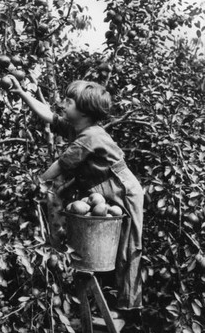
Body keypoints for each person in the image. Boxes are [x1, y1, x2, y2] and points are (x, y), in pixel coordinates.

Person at [9, 77, 144, 310]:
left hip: (122, 188)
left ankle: (129, 306)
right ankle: (94, 295)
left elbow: (60, 166)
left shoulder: (91, 135)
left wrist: (34, 183)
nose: (63, 104)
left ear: (84, 112)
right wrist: (21, 92)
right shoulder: (79, 127)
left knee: (128, 246)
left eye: (68, 101)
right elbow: (48, 115)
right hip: (99, 186)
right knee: (92, 235)